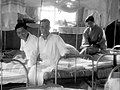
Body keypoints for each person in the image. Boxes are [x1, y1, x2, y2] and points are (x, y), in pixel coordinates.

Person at [28, 19, 72, 86]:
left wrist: (65, 54)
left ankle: (47, 85)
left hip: (54, 64)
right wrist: (30, 65)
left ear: (49, 28)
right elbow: (33, 54)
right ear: (40, 28)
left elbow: (63, 49)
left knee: (45, 73)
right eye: (42, 27)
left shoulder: (56, 38)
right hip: (44, 64)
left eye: (46, 27)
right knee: (33, 69)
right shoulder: (39, 40)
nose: (44, 29)